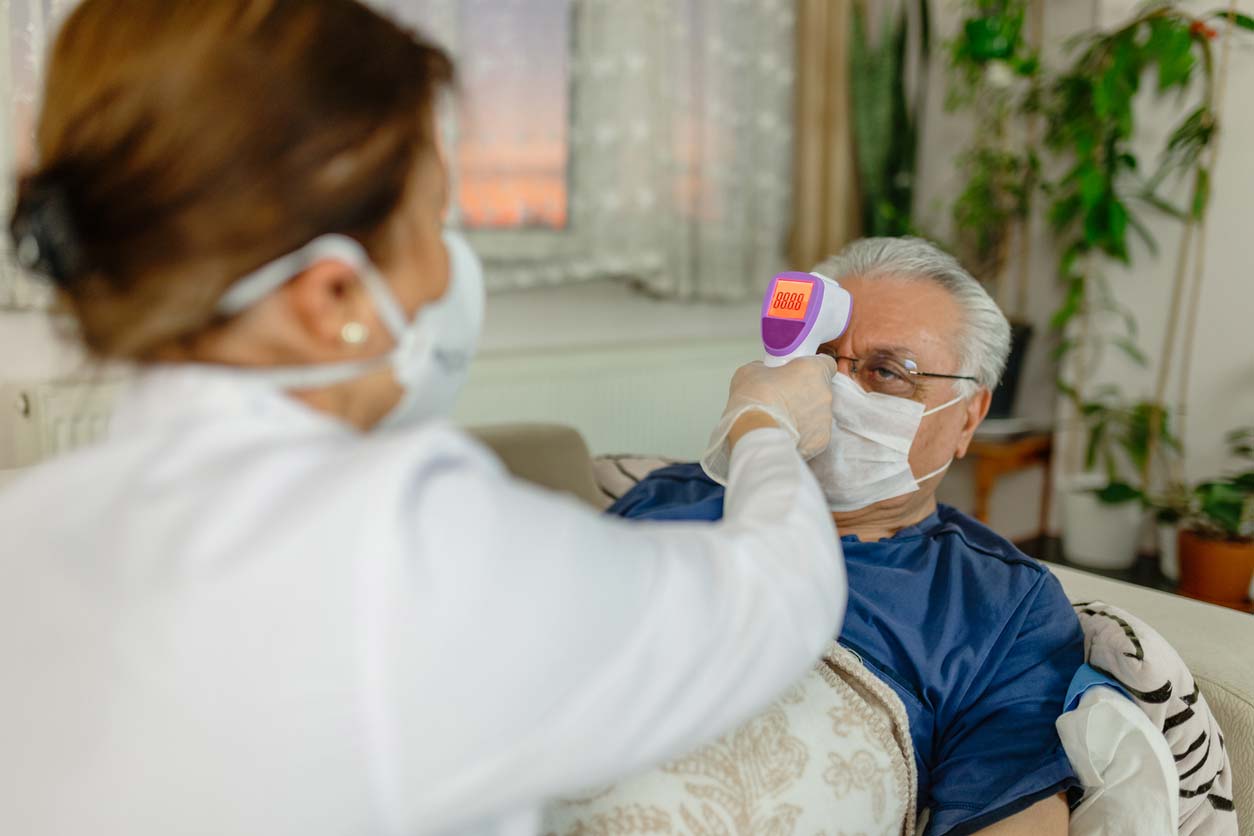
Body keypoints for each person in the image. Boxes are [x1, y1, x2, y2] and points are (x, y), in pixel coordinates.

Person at [0, 3, 848, 834]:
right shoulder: (397, 546)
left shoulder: (29, 526)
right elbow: (772, 600)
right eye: (433, 223)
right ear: (333, 296)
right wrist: (765, 427)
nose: (447, 273)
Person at [611, 237, 1085, 836]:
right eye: (819, 358)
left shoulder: (1001, 606)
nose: (836, 392)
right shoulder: (671, 495)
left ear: (969, 416)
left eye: (888, 372)